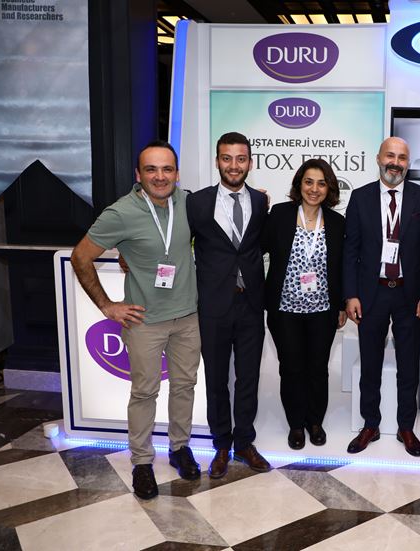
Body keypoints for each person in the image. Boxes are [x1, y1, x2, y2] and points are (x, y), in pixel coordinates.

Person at [71, 141, 201, 500]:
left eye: (167, 169)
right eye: (151, 169)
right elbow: (80, 257)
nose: (160, 176)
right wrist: (107, 306)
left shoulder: (189, 203)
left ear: (177, 173)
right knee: (144, 392)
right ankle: (142, 462)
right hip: (144, 321)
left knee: (185, 386)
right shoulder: (120, 213)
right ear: (138, 174)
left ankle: (179, 448)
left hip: (188, 317)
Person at [344, 137, 420, 457]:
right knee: (370, 364)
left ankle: (406, 427)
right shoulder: (360, 198)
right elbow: (350, 250)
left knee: (409, 366)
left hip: (409, 297)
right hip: (370, 294)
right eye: (390, 155)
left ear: (408, 163)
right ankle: (370, 424)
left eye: (402, 157)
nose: (395, 163)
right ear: (378, 158)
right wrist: (351, 295)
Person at [186, 132, 270, 478]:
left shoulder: (261, 202)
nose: (234, 166)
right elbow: (175, 243)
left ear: (250, 162)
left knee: (248, 378)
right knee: (216, 379)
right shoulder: (196, 203)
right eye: (227, 158)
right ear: (217, 161)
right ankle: (221, 444)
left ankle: (244, 442)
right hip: (213, 306)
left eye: (240, 159)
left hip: (250, 304)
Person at [263, 159, 346, 450]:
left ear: (329, 188)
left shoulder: (337, 222)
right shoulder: (280, 214)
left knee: (318, 368)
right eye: (309, 182)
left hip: (322, 311)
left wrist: (341, 305)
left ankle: (315, 422)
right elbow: (255, 248)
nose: (314, 189)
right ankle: (296, 424)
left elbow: (341, 267)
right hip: (285, 309)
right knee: (291, 368)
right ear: (299, 184)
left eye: (321, 183)